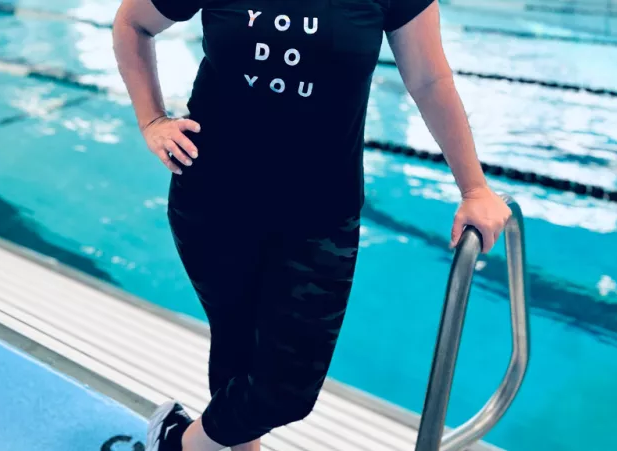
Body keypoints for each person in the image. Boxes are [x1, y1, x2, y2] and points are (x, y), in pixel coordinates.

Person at [112, 0, 512, 449]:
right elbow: (132, 23)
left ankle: (177, 442)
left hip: (321, 215)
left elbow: (428, 79)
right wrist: (152, 119)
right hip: (213, 201)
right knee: (237, 352)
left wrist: (474, 188)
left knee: (286, 392)